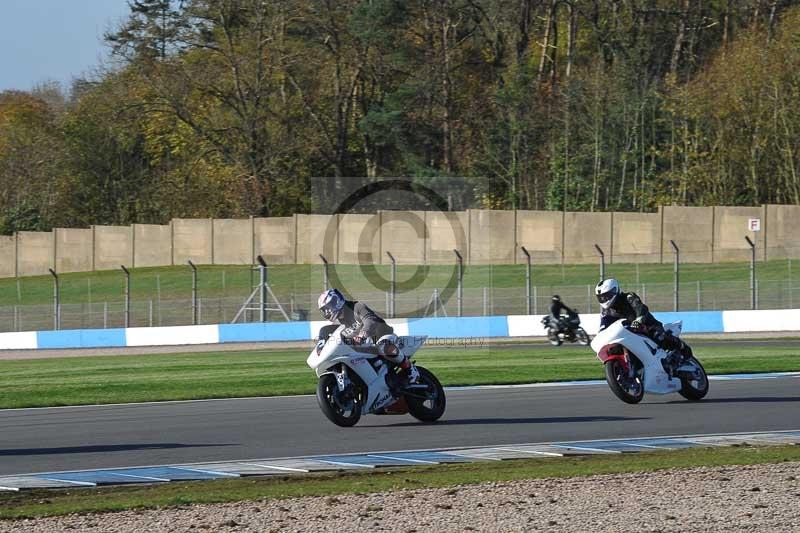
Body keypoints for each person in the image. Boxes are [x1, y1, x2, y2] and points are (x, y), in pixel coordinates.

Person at [317, 288, 419, 383]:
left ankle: (410, 369)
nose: (327, 311)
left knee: (383, 346)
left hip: (382, 335)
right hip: (365, 346)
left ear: (336, 301)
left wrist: (362, 335)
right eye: (324, 309)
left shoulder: (357, 307)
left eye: (328, 307)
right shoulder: (337, 324)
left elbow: (370, 320)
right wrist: (321, 347)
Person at [594, 278, 692, 359]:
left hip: (648, 326)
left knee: (659, 337)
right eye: (601, 297)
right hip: (629, 334)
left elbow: (640, 308)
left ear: (615, 291)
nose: (604, 299)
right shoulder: (606, 312)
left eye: (606, 296)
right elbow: (603, 327)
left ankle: (681, 346)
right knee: (614, 349)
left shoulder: (629, 297)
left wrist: (638, 320)